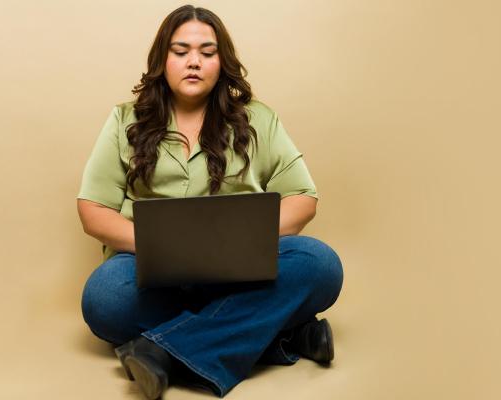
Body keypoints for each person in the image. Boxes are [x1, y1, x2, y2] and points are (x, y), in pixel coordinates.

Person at [76, 5, 344, 399]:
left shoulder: (258, 120)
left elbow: (304, 198)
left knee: (320, 263)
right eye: (181, 51)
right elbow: (93, 211)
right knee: (105, 298)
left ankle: (161, 353)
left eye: (207, 51)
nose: (194, 62)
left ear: (223, 61)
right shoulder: (123, 120)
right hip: (152, 271)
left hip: (242, 272)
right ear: (161, 59)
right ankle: (282, 335)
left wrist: (243, 242)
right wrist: (160, 247)